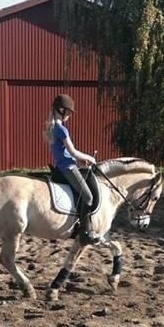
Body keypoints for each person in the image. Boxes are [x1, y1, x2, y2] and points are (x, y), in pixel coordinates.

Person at [43, 93, 99, 245]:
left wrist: (78, 161)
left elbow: (65, 153)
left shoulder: (53, 127)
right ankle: (85, 233)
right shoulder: (61, 129)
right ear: (61, 110)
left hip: (63, 165)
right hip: (67, 167)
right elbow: (72, 151)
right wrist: (89, 158)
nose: (69, 115)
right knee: (88, 197)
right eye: (68, 112)